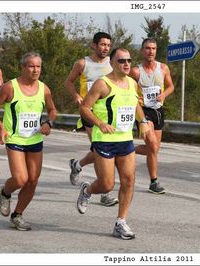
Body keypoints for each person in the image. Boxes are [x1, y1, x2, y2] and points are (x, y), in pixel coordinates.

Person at [77, 48, 150, 240]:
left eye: (129, 60)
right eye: (121, 61)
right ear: (112, 63)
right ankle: (88, 190)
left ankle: (121, 222)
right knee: (107, 185)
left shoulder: (133, 84)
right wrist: (100, 123)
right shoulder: (103, 84)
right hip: (104, 140)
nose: (126, 64)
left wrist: (142, 121)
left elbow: (135, 105)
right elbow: (84, 108)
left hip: (125, 139)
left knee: (128, 180)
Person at [0, 52, 57, 231]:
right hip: (15, 138)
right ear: (23, 67)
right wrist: (1, 128)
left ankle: (17, 215)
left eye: (38, 66)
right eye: (31, 66)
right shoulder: (11, 87)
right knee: (20, 179)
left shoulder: (44, 89)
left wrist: (48, 122)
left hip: (34, 139)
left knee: (33, 180)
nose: (35, 70)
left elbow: (52, 110)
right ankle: (5, 192)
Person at [64, 32, 118, 207]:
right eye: (102, 44)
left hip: (108, 115)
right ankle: (105, 193)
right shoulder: (82, 63)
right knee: (101, 150)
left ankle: (78, 165)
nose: (105, 48)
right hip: (89, 112)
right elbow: (69, 82)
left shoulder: (113, 63)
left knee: (99, 152)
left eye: (108, 45)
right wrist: (77, 96)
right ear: (94, 45)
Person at [129, 38, 174, 194]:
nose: (151, 51)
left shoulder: (163, 68)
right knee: (153, 146)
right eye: (147, 48)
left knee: (154, 149)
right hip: (143, 111)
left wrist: (164, 95)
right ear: (142, 51)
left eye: (153, 48)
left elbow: (170, 86)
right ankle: (154, 182)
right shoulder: (135, 71)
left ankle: (127, 149)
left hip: (158, 111)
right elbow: (126, 87)